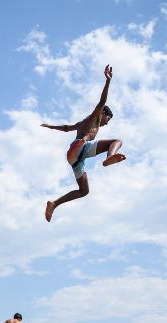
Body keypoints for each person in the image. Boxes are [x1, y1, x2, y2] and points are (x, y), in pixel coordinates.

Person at [41, 64, 126, 222]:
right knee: (116, 141)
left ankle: (54, 204)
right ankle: (109, 157)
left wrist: (50, 126)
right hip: (80, 146)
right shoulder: (96, 116)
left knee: (84, 191)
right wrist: (107, 81)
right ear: (103, 114)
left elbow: (67, 128)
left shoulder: (83, 122)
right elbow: (102, 101)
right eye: (108, 119)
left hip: (75, 158)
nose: (107, 123)